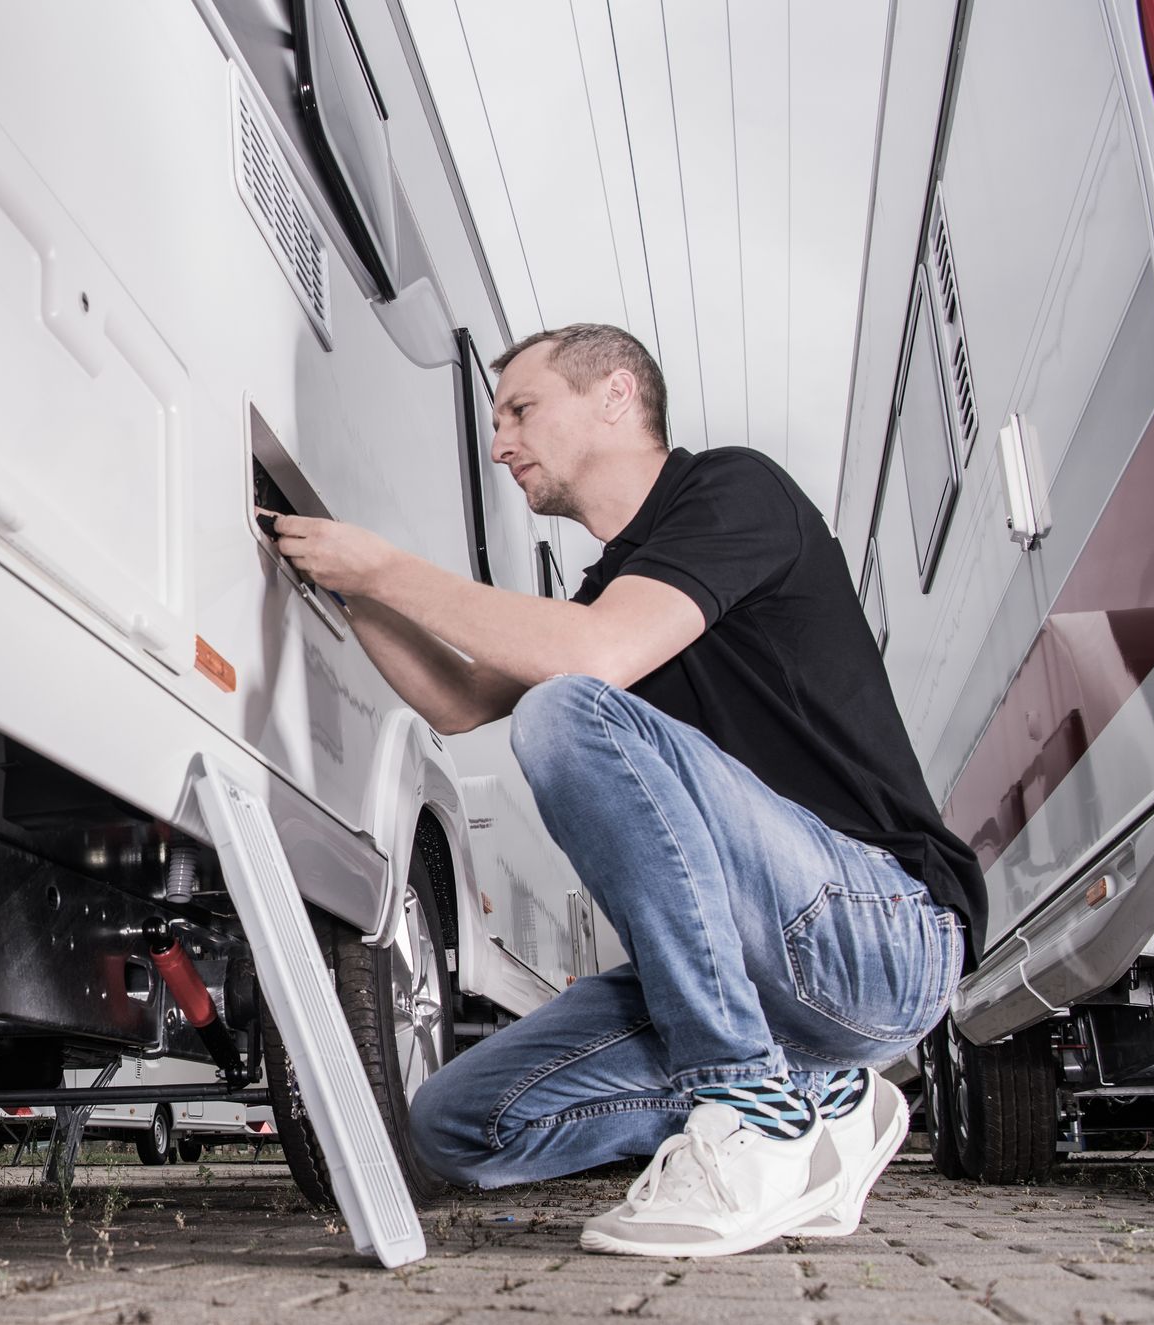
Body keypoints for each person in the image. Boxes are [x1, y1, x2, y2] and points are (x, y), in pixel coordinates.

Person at [270, 323, 984, 1258]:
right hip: (769, 977)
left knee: (565, 710)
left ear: (615, 394)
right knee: (452, 1122)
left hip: (884, 932)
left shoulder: (735, 492)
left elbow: (590, 660)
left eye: (520, 409)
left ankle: (750, 1109)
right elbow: (454, 697)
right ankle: (829, 1096)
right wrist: (353, 588)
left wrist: (389, 566)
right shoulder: (611, 587)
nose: (500, 443)